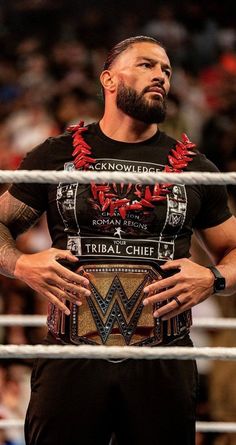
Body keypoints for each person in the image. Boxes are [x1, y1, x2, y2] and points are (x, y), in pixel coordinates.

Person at [0, 35, 236, 445]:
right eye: (146, 65)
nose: (161, 75)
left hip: (162, 363)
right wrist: (19, 263)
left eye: (166, 70)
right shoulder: (56, 156)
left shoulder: (197, 167)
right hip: (71, 357)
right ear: (108, 79)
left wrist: (214, 279)